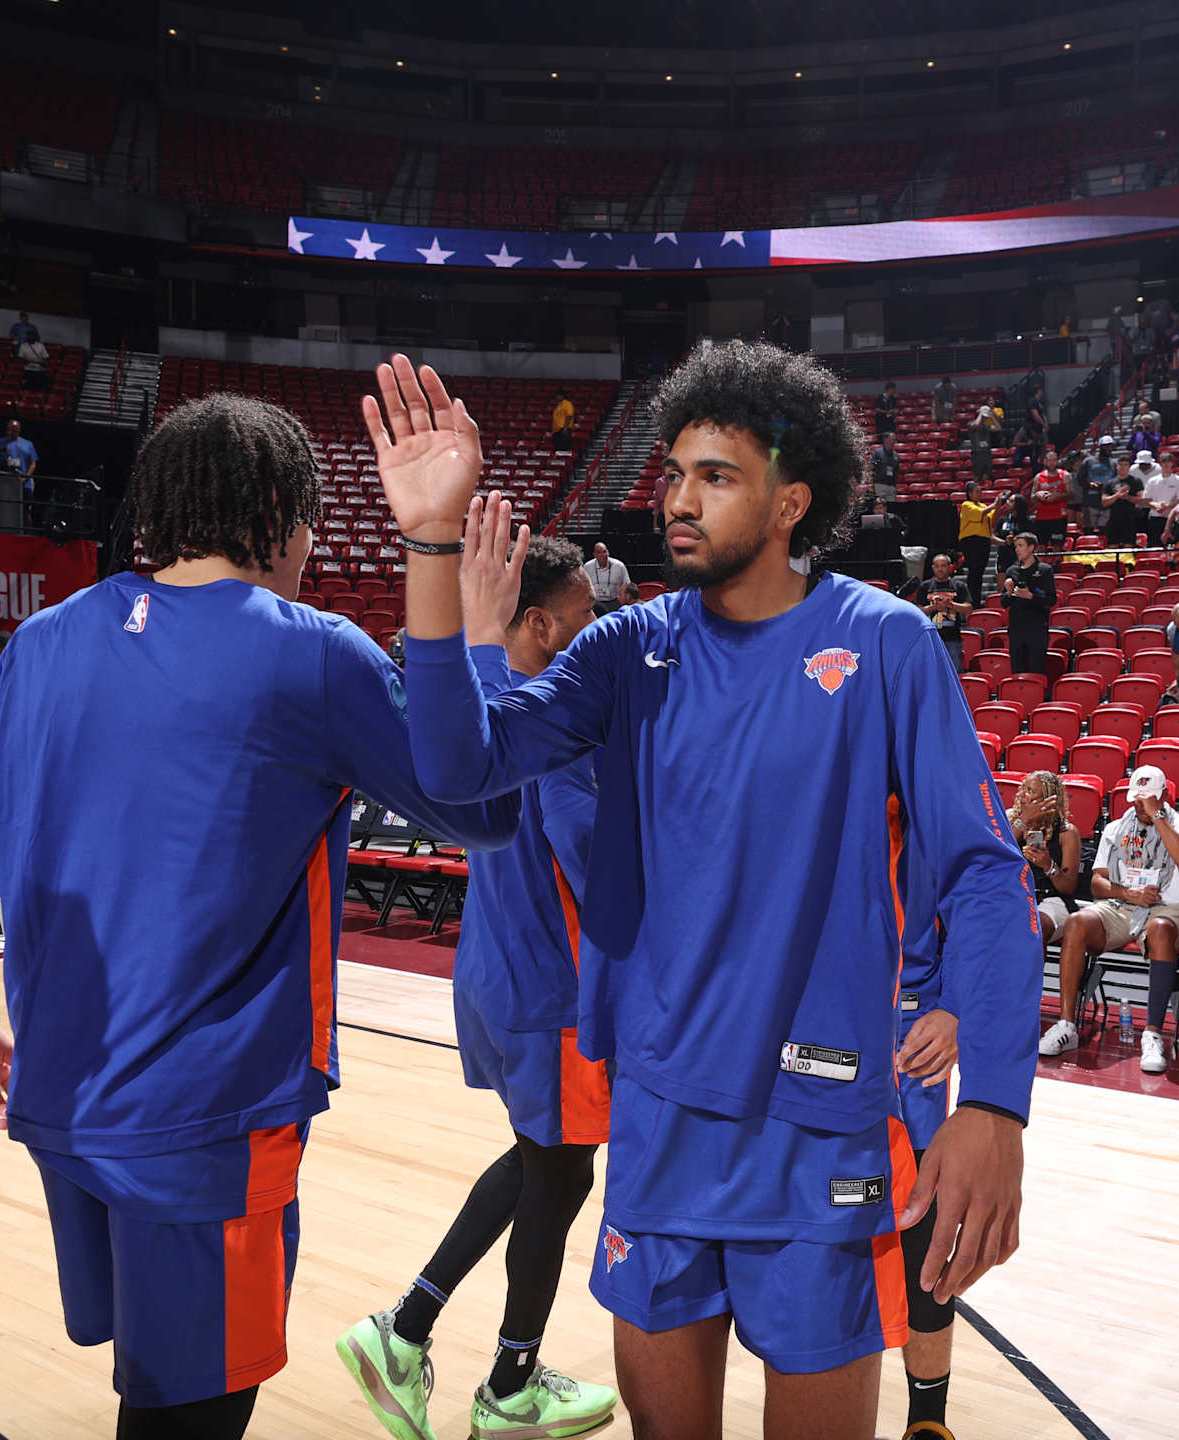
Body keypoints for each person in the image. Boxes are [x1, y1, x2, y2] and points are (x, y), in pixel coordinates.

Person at [371, 343, 1037, 1440]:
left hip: (820, 1127)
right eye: (674, 473)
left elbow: (981, 870)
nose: (678, 500)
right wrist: (433, 549)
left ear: (791, 502)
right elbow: (458, 768)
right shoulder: (627, 649)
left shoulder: (886, 643)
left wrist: (996, 1103)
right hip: (660, 1119)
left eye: (715, 476)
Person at [0, 392, 519, 1440]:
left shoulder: (41, 642)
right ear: (279, 514)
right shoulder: (309, 650)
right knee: (193, 1411)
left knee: (151, 1387)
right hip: (206, 1128)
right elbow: (483, 809)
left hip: (62, 1103)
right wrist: (478, 635)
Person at [339, 536, 617, 1440]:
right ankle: (507, 1387)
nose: (597, 626)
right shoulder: (560, 723)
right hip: (552, 990)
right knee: (561, 1178)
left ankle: (405, 1331)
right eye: (584, 615)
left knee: (543, 1164)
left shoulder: (483, 710)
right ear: (540, 624)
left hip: (496, 974)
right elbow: (594, 859)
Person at [1039, 766, 1179, 1075]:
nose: (1141, 806)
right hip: (1122, 904)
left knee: (1160, 928)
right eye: (1136, 800)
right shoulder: (1116, 828)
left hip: (1166, 909)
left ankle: (1152, 1035)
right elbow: (1097, 883)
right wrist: (1129, 893)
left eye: (1148, 799)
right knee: (1077, 921)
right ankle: (1066, 1026)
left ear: (1165, 796)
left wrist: (1158, 817)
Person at [1007, 771, 1080, 946]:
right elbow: (996, 852)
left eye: (1030, 791)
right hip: (1014, 895)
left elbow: (1068, 887)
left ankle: (1033, 966)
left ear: (1049, 800)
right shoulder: (1009, 819)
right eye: (1023, 788)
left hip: (1051, 899)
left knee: (1033, 927)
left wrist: (1048, 866)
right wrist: (1023, 821)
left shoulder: (1066, 832)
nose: (1022, 795)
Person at [1000, 530, 1056, 675]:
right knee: (1017, 672)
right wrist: (1009, 592)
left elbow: (1051, 599)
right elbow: (1004, 602)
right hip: (1016, 629)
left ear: (1031, 547)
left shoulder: (1044, 570)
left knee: (1037, 670)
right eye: (1016, 546)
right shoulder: (1012, 570)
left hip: (1037, 629)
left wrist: (1031, 596)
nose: (1017, 550)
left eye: (1020, 546)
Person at [912, 550, 972, 673]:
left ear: (950, 567)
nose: (940, 569)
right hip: (930, 638)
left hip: (953, 638)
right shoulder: (925, 586)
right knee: (931, 673)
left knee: (954, 674)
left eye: (943, 566)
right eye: (937, 566)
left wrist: (950, 604)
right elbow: (917, 611)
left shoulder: (959, 585)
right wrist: (933, 608)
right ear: (933, 568)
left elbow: (968, 608)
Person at [956, 481, 1004, 603]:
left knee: (979, 572)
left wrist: (998, 506)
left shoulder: (983, 505)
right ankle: (972, 601)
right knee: (974, 571)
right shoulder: (966, 505)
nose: (980, 494)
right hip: (971, 541)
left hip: (984, 540)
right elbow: (980, 514)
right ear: (969, 493)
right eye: (977, 492)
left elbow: (993, 519)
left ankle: (976, 600)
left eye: (980, 492)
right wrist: (994, 505)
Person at [0, 419, 39, 527]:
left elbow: (33, 464)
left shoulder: (28, 444)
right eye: (10, 429)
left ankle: (27, 533)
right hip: (5, 482)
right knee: (5, 509)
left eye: (14, 430)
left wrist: (25, 478)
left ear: (19, 430)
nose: (11, 432)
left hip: (24, 483)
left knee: (25, 511)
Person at [1024, 448, 1069, 549]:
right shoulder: (1038, 477)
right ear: (1045, 461)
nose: (1052, 463)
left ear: (1057, 461)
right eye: (1049, 460)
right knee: (1040, 546)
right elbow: (1032, 498)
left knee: (1057, 547)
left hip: (1059, 517)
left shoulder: (1065, 475)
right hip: (1042, 517)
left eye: (1054, 460)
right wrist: (1038, 495)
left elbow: (1071, 495)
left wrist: (1059, 495)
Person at [1101, 454, 1145, 548]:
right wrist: (1118, 495)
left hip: (1130, 519)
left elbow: (1141, 500)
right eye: (1121, 464)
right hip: (1113, 519)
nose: (1123, 467)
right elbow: (1104, 502)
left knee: (1128, 548)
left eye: (1125, 465)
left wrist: (1128, 497)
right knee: (1112, 548)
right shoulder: (1109, 483)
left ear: (1129, 467)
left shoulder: (1136, 481)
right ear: (1117, 466)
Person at [582, 541, 629, 618]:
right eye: (599, 552)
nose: (602, 555)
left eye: (604, 552)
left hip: (614, 603)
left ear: (608, 553)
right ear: (594, 555)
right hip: (596, 604)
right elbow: (583, 587)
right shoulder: (587, 567)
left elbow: (626, 585)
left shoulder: (619, 566)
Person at [969, 404, 1000, 481]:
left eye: (985, 417)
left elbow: (998, 428)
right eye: (983, 417)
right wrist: (980, 413)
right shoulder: (970, 423)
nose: (984, 419)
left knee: (986, 475)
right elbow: (976, 424)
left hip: (987, 452)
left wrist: (992, 417)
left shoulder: (987, 425)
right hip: (977, 452)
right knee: (977, 475)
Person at [870, 430, 901, 503]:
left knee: (890, 506)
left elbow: (896, 472)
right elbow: (871, 467)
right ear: (885, 439)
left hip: (891, 487)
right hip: (879, 485)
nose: (894, 442)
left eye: (894, 440)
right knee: (880, 506)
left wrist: (894, 487)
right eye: (892, 439)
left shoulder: (896, 456)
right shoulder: (877, 453)